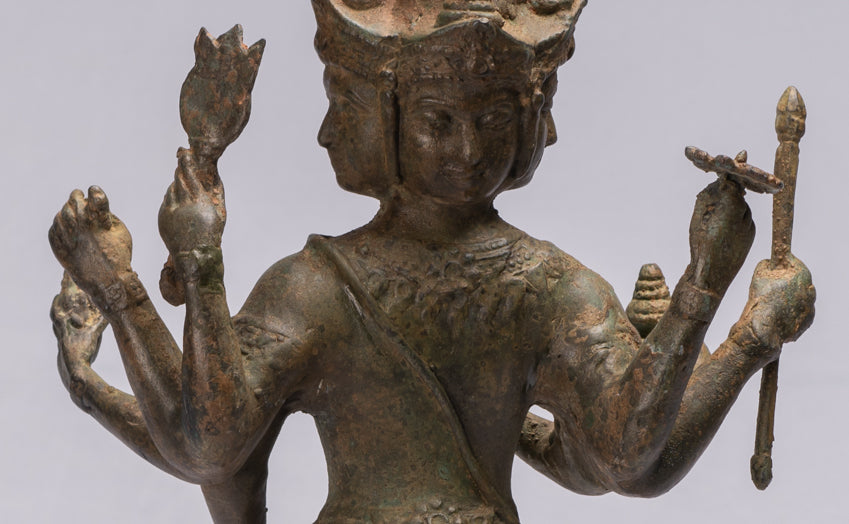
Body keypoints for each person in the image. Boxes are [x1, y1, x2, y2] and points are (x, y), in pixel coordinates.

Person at [48, 1, 815, 523]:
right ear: (381, 124)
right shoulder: (314, 289)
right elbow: (212, 446)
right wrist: (173, 273)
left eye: (492, 117)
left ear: (529, 119)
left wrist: (717, 305)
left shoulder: (550, 289)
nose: (468, 148)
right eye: (437, 120)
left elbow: (621, 459)